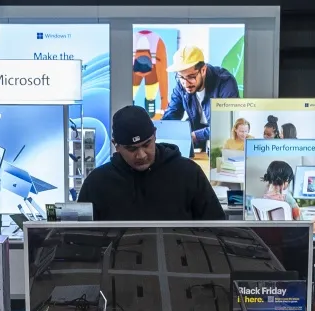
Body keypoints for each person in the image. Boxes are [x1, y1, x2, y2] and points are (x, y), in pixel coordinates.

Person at [77, 105, 224, 222]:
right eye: (131, 149)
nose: (141, 155)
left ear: (155, 135)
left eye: (146, 144)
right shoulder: (97, 183)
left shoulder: (189, 173)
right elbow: (79, 240)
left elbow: (216, 228)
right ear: (116, 145)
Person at [162, 44, 240, 151]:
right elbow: (170, 116)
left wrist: (195, 136)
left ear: (203, 70)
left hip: (222, 143)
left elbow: (228, 124)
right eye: (181, 77)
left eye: (191, 77)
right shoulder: (181, 85)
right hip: (197, 142)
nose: (186, 83)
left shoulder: (225, 82)